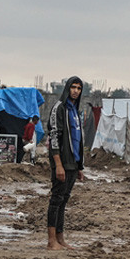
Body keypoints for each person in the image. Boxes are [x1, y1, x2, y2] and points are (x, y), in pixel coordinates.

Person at [45, 77, 85, 250]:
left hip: (72, 163)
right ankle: (51, 240)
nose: (76, 91)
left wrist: (79, 166)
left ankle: (60, 239)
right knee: (56, 200)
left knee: (64, 201)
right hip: (61, 162)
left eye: (79, 88)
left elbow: (78, 140)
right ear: (67, 88)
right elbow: (54, 137)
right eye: (73, 87)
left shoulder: (74, 111)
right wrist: (58, 164)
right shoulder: (59, 108)